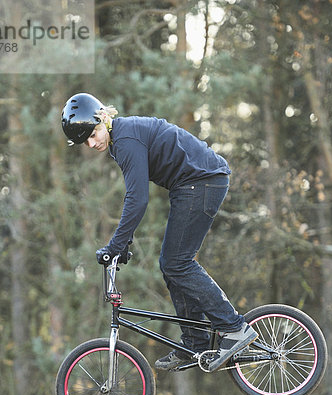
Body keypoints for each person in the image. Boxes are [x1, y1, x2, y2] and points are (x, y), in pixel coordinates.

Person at [61, 92, 257, 372]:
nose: (92, 143)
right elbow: (136, 196)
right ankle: (196, 343)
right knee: (171, 264)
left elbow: (138, 199)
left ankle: (233, 327)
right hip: (192, 184)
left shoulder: (126, 140)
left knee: (177, 263)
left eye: (92, 134)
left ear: (104, 118)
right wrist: (124, 241)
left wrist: (115, 245)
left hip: (202, 182)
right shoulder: (120, 140)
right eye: (86, 141)